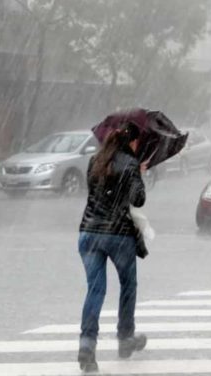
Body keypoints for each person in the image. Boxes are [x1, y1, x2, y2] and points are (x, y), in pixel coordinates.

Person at [77, 121, 148, 372]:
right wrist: (139, 173)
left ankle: (87, 345)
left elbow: (96, 193)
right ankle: (125, 338)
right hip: (118, 235)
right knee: (128, 285)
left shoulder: (94, 161)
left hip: (88, 233)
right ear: (132, 141)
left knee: (95, 291)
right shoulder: (130, 164)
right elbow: (138, 199)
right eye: (137, 142)